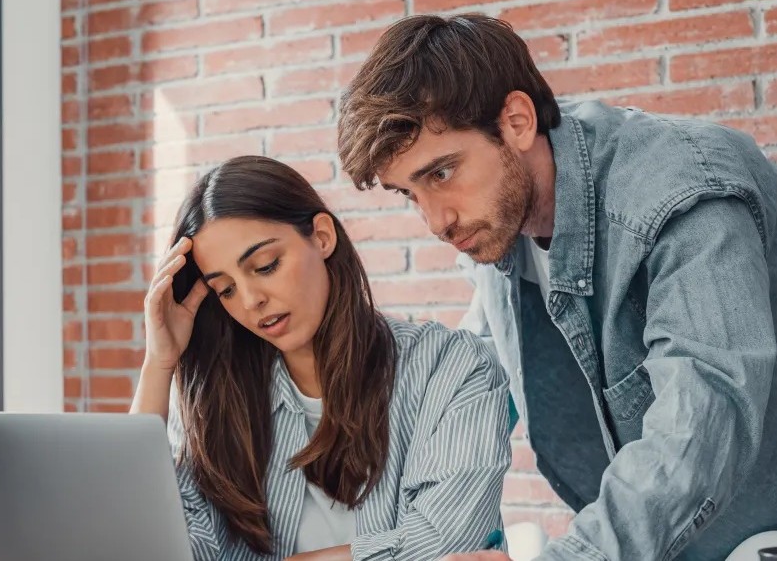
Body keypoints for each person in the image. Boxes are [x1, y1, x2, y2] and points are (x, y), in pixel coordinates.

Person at [336, 13, 777, 560]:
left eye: (441, 173)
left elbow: (703, 417)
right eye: (410, 193)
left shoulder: (680, 191)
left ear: (516, 122)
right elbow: (479, 377)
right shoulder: (498, 218)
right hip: (742, 529)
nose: (436, 220)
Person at [131, 155, 513, 561]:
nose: (250, 300)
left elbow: (445, 545)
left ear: (322, 236)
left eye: (266, 266)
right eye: (225, 289)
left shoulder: (453, 369)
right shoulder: (220, 400)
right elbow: (152, 545)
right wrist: (159, 362)